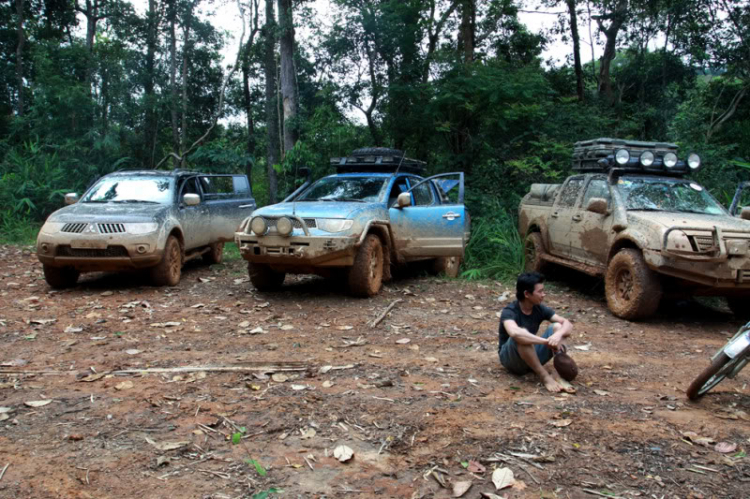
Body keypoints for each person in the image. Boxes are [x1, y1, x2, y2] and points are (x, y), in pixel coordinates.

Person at [498, 272, 574, 393]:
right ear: (527, 294)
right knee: (522, 336)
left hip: (531, 355)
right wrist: (545, 342)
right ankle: (545, 377)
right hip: (511, 360)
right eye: (540, 291)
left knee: (558, 326)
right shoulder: (509, 311)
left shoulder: (539, 308)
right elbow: (515, 333)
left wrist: (557, 335)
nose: (543, 295)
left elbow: (568, 324)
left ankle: (558, 371)